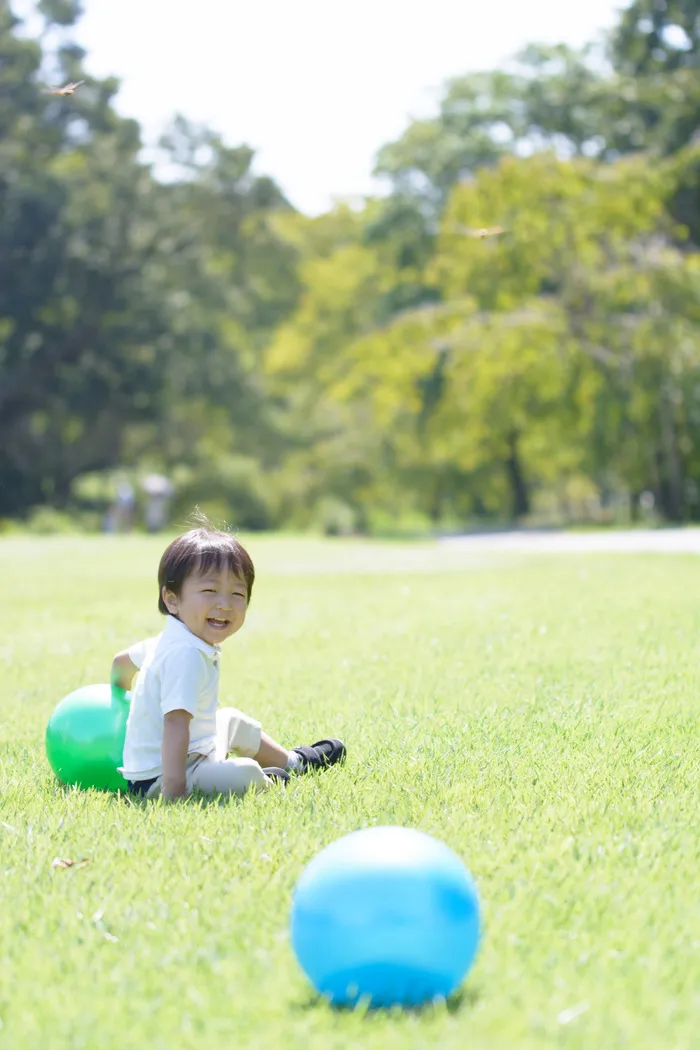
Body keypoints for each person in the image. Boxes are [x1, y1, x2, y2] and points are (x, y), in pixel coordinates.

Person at [110, 520, 345, 799]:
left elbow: (121, 663)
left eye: (237, 593)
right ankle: (268, 782)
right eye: (210, 591)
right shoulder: (185, 654)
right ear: (172, 599)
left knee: (231, 720)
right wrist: (174, 792)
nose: (224, 604)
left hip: (195, 751)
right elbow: (175, 723)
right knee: (244, 772)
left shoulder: (172, 638)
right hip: (161, 778)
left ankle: (293, 762)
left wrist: (120, 712)